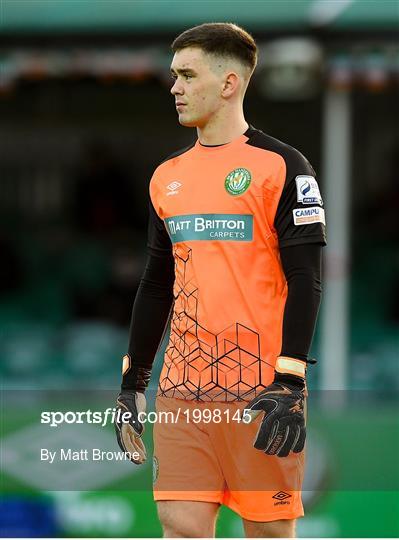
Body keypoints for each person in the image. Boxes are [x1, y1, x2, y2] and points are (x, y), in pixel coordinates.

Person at [115, 23, 326, 538]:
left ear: (229, 83)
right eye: (174, 76)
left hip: (261, 390)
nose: (175, 88)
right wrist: (132, 382)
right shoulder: (167, 177)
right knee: (180, 523)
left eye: (187, 75)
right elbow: (156, 285)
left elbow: (306, 279)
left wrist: (291, 380)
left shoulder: (284, 166)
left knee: (270, 530)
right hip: (183, 390)